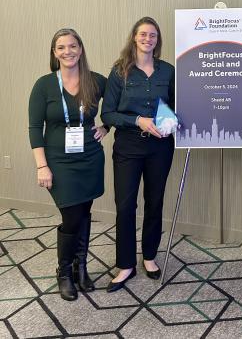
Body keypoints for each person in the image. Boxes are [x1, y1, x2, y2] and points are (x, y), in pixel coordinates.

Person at [29, 28, 108, 301]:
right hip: (58, 161)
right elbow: (34, 127)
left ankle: (80, 267)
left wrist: (106, 126)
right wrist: (42, 166)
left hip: (90, 157)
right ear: (54, 53)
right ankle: (64, 272)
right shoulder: (44, 85)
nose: (68, 51)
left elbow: (119, 105)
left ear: (81, 49)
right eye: (61, 47)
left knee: (84, 211)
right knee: (72, 215)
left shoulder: (96, 81)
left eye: (72, 46)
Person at [101, 17, 175, 292]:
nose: (148, 39)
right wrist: (137, 121)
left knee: (155, 202)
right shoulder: (120, 71)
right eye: (143, 34)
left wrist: (171, 122)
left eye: (153, 35)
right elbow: (107, 113)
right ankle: (125, 264)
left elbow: (177, 106)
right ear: (134, 37)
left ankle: (150, 256)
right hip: (128, 147)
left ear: (158, 40)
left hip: (160, 147)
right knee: (125, 205)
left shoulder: (168, 71)